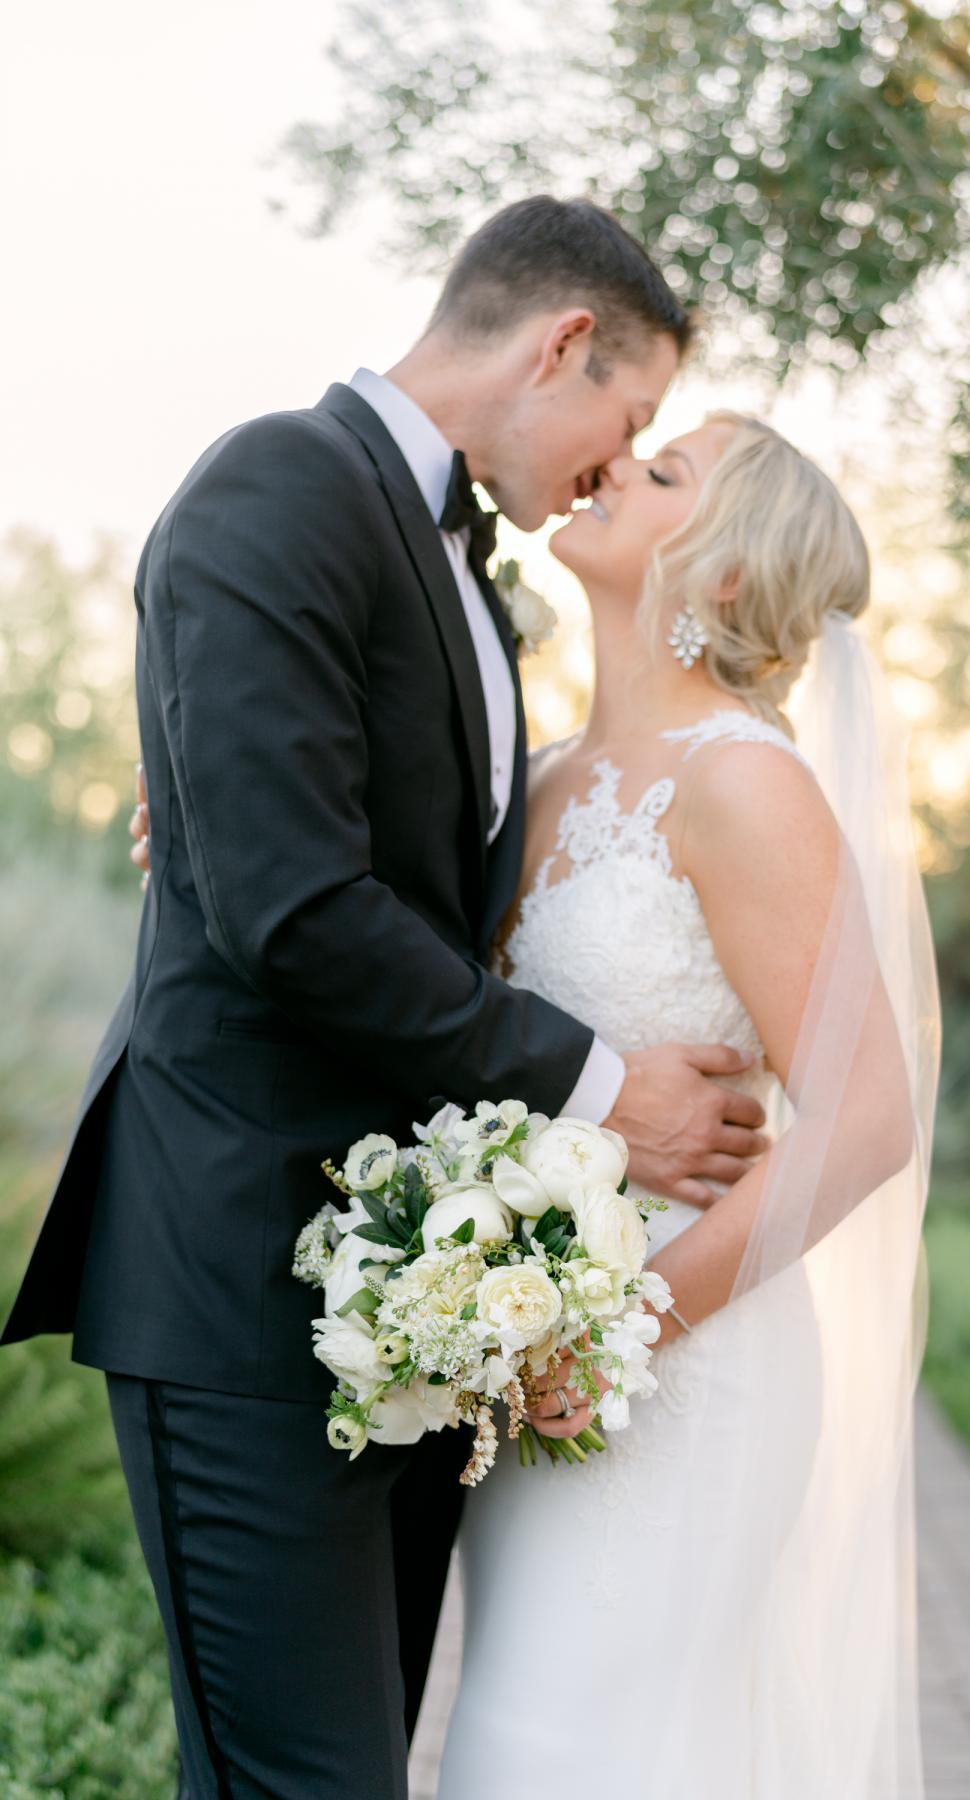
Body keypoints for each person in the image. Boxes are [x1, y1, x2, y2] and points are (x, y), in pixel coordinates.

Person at [0, 198, 775, 1800]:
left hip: (398, 1304)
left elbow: (366, 863)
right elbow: (297, 912)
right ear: (563, 344)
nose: (608, 466)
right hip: (236, 1273)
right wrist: (601, 1086)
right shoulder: (279, 483)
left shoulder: (474, 580)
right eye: (622, 422)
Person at [431, 412, 940, 1797]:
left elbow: (868, 1117)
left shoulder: (745, 784)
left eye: (660, 475)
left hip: (685, 1368)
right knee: (518, 1744)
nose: (606, 469)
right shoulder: (537, 783)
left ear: (718, 575)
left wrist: (627, 1324)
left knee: (584, 1756)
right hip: (538, 1365)